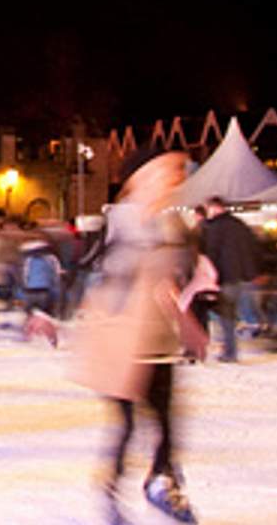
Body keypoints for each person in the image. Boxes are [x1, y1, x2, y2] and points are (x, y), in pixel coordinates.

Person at [72, 151, 201, 524]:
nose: (175, 178)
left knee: (167, 422)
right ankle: (111, 488)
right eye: (167, 170)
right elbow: (92, 272)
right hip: (119, 342)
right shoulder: (120, 222)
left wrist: (186, 318)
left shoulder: (173, 224)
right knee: (127, 425)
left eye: (178, 171)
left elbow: (168, 282)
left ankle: (161, 481)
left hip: (158, 340)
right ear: (140, 177)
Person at [199, 196, 258, 361]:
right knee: (231, 315)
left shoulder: (213, 228)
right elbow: (253, 248)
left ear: (214, 208)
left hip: (223, 277)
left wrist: (210, 278)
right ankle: (231, 349)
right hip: (241, 278)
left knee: (224, 316)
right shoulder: (239, 225)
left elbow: (211, 254)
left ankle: (229, 352)